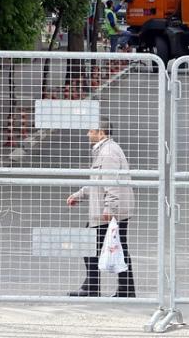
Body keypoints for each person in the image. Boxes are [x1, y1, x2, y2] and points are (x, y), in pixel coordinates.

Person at [67, 117, 136, 298]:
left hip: (109, 212)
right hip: (109, 210)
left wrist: (109, 209)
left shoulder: (108, 153)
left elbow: (111, 183)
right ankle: (119, 289)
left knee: (91, 246)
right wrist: (79, 195)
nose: (87, 134)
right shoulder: (104, 150)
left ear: (101, 132)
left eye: (91, 130)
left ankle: (99, 288)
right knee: (109, 248)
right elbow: (97, 181)